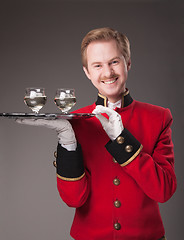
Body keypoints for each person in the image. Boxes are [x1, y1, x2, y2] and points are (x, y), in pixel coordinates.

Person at [17, 27, 177, 240]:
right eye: (98, 65)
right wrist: (68, 143)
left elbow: (164, 190)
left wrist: (122, 138)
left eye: (114, 62)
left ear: (128, 63)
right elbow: (74, 200)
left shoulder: (159, 117)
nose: (108, 73)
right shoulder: (74, 121)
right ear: (87, 72)